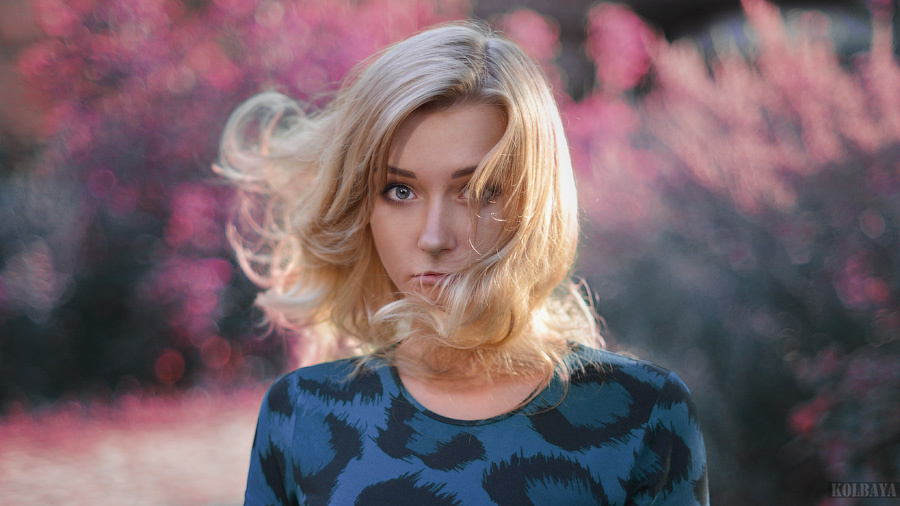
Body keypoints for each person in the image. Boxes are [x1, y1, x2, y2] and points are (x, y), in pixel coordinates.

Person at [216, 21, 708, 506]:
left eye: (476, 190)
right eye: (400, 191)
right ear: (362, 205)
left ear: (536, 201)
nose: (433, 237)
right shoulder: (302, 414)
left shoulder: (644, 413)